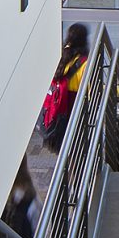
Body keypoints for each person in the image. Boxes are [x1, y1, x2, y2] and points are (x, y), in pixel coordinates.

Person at [39, 24, 90, 152]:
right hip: (75, 109)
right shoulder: (84, 62)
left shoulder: (61, 59)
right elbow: (91, 88)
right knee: (77, 149)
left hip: (59, 113)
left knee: (65, 150)